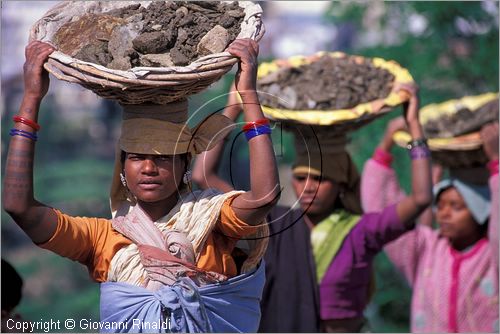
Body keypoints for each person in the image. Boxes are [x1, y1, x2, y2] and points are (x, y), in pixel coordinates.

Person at [3, 39, 280, 332]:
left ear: (184, 165)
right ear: (122, 167)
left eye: (163, 158)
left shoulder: (213, 219)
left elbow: (264, 197)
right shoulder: (101, 239)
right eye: (136, 157)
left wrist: (248, 95)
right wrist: (31, 98)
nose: (149, 169)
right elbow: (19, 207)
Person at [193, 83, 433, 332]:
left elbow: (421, 198)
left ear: (341, 183)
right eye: (300, 178)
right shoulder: (272, 225)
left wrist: (414, 125)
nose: (308, 187)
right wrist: (233, 108)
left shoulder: (360, 232)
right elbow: (203, 175)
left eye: (319, 179)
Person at [361, 121, 499, 333]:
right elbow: (384, 215)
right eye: (440, 205)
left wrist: (496, 165)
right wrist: (387, 142)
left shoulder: (491, 258)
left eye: (456, 206)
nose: (443, 213)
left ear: (480, 210)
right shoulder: (427, 251)